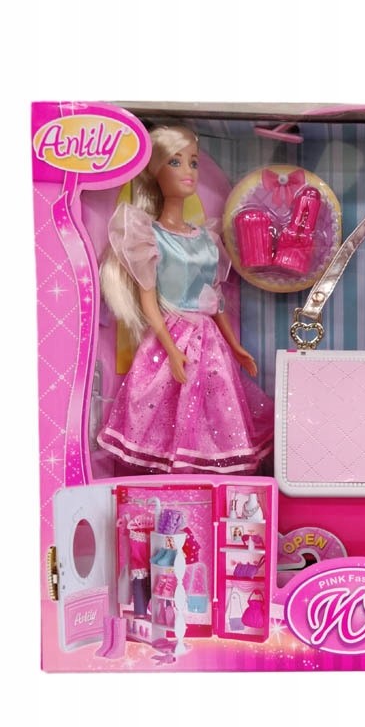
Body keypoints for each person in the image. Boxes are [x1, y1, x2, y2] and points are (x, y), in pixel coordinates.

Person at [97, 125, 273, 474]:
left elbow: (214, 298)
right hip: (172, 336)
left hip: (209, 341)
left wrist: (235, 345)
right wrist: (170, 347)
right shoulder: (149, 236)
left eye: (193, 162)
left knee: (215, 408)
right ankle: (172, 478)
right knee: (165, 408)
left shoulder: (206, 237)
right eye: (175, 162)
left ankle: (203, 476)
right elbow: (149, 302)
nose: (188, 171)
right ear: (155, 170)